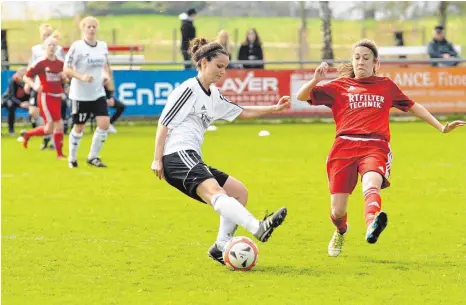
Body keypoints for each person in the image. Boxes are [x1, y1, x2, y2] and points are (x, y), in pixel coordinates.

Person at [296, 39, 465, 257]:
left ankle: (372, 224)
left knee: (372, 180)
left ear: (376, 62)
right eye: (357, 58)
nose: (360, 62)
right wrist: (314, 80)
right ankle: (340, 230)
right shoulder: (339, 86)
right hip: (343, 147)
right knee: (338, 211)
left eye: (366, 58)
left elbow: (414, 106)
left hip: (375, 145)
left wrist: (441, 127)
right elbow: (301, 96)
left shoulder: (385, 85)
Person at [151, 37, 290, 265]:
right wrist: (157, 159)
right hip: (176, 155)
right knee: (217, 192)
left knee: (239, 192)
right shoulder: (188, 89)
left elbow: (241, 112)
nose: (223, 72)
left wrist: (274, 108)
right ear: (204, 63)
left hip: (190, 156)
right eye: (219, 66)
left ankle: (220, 246)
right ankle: (258, 227)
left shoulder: (213, 95)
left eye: (225, 67)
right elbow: (163, 122)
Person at [64, 16, 112, 168]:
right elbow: (66, 69)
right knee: (79, 127)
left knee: (104, 123)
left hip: (97, 92)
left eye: (94, 26)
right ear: (83, 28)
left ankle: (93, 157)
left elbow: (105, 66)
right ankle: (72, 158)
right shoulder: (77, 47)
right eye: (88, 27)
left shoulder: (103, 46)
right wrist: (82, 77)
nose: (91, 29)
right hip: (80, 94)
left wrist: (106, 77)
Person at [21, 36, 66, 159]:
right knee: (58, 124)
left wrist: (65, 78)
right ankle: (60, 155)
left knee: (48, 129)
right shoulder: (40, 62)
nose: (52, 48)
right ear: (45, 47)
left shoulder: (61, 63)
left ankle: (28, 134)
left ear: (57, 48)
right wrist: (34, 85)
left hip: (57, 96)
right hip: (45, 96)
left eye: (54, 45)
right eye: (49, 45)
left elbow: (65, 78)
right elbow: (26, 77)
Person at [1, 67, 31, 135]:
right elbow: (11, 96)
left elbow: (30, 93)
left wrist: (29, 102)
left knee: (34, 107)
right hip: (10, 99)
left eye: (24, 74)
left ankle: (37, 129)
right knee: (10, 106)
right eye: (21, 74)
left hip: (23, 101)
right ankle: (11, 130)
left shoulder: (28, 82)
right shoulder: (13, 80)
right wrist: (20, 103)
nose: (22, 76)